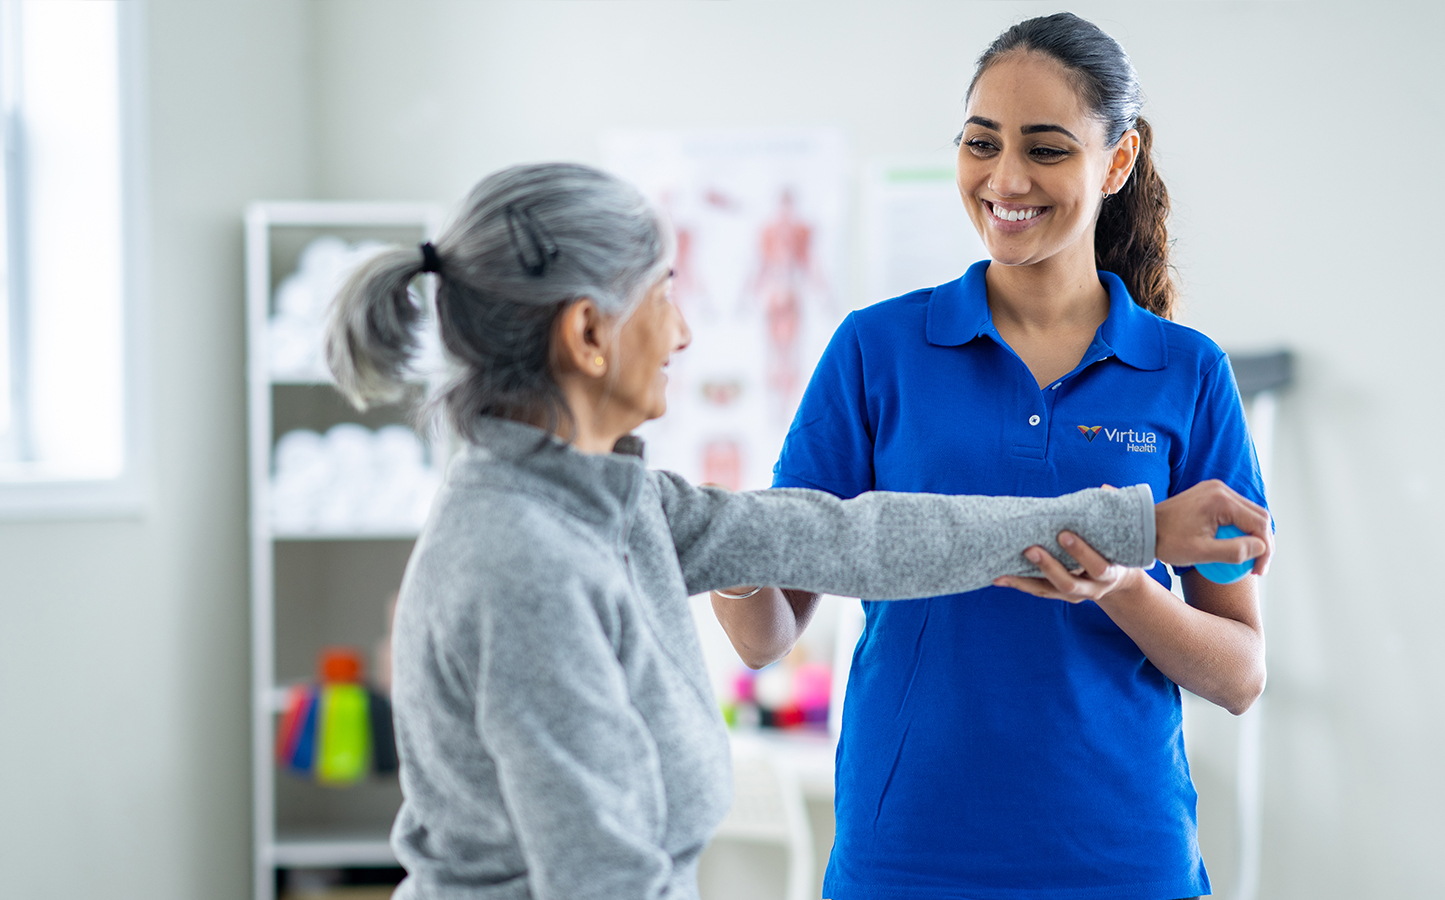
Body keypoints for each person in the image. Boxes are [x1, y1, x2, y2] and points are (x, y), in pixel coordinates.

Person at [323, 162, 1271, 900]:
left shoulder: (616, 505)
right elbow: (600, 876)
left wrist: (1133, 526)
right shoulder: (522, 557)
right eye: (664, 292)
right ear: (586, 335)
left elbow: (859, 538)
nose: (686, 331)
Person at [714, 12, 1269, 900]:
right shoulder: (877, 351)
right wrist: (722, 539)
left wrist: (1123, 586)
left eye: (1047, 149)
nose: (1005, 179)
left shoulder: (1186, 371)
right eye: (982, 143)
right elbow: (765, 635)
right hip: (906, 858)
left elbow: (1239, 674)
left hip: (1120, 861)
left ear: (1116, 163)